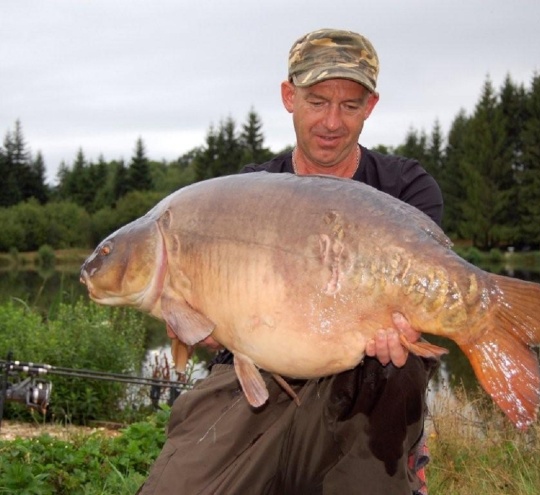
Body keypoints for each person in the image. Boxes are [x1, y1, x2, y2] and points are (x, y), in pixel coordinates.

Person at [137, 28, 444, 495]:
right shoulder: (245, 191)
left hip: (364, 379)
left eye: (350, 105)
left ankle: (389, 468)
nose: (332, 122)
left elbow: (425, 306)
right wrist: (193, 325)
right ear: (289, 96)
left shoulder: (405, 188)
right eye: (318, 101)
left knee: (396, 370)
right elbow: (205, 327)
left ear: (371, 107)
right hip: (254, 374)